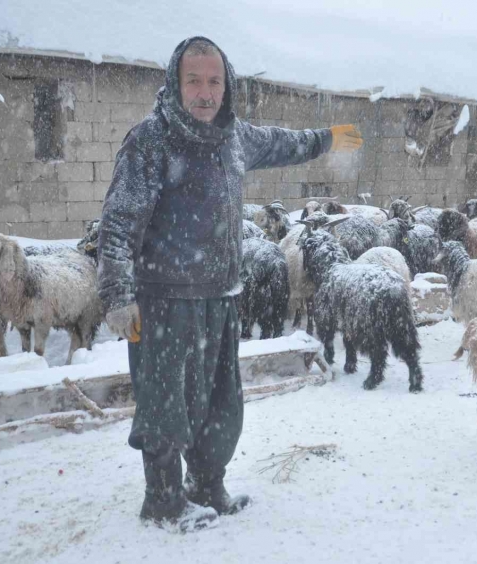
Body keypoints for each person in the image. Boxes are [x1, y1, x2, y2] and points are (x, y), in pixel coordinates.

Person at [96, 36, 362, 532]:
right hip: (164, 302)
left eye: (214, 81)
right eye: (193, 80)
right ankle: (164, 501)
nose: (204, 92)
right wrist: (117, 294)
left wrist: (327, 138)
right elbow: (118, 222)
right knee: (166, 405)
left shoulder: (234, 137)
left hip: (221, 298)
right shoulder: (150, 140)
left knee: (221, 404)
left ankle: (206, 485)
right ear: (176, 83)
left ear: (227, 85)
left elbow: (286, 143)